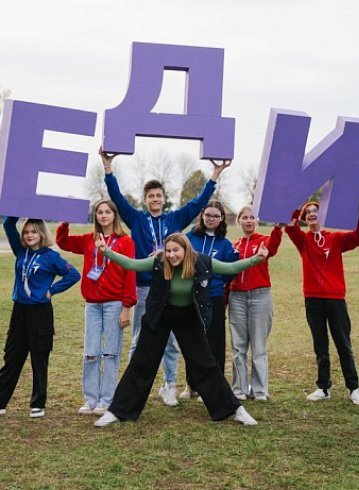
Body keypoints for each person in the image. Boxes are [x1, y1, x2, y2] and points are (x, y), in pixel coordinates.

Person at [100, 146, 230, 407]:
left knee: (170, 342)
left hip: (170, 288)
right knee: (139, 340)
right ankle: (133, 387)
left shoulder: (175, 219)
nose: (155, 199)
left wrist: (214, 176)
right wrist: (107, 169)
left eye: (159, 195)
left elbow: (197, 204)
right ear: (146, 199)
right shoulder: (136, 219)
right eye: (151, 196)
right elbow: (117, 198)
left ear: (163, 198)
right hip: (145, 289)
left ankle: (169, 384)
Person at [93, 233, 266, 427]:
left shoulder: (201, 262)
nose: (172, 255)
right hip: (160, 316)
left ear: (186, 249)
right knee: (142, 362)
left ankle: (234, 410)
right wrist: (106, 251)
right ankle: (117, 411)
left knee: (206, 364)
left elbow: (231, 267)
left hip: (188, 317)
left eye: (176, 250)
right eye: (168, 251)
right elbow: (132, 264)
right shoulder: (159, 262)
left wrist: (255, 259)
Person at [0, 217, 80, 419]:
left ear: (41, 234)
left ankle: (38, 403)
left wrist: (52, 290)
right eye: (26, 232)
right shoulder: (21, 251)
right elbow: (8, 225)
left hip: (40, 312)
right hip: (20, 310)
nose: (29, 235)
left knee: (39, 358)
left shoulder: (51, 256)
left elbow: (73, 274)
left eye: (33, 231)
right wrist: (19, 210)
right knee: (12, 356)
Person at [56, 200, 136, 416]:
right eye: (99, 212)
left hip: (114, 303)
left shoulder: (125, 242)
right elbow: (62, 242)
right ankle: (90, 399)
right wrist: (65, 222)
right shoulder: (88, 240)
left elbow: (130, 274)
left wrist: (126, 307)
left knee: (110, 353)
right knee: (91, 352)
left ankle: (106, 399)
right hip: (92, 304)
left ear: (114, 215)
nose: (103, 216)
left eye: (107, 212)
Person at [286, 200, 359, 405]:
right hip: (312, 298)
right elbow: (290, 223)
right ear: (305, 218)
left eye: (316, 211)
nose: (312, 214)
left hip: (335, 298)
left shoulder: (336, 238)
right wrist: (299, 199)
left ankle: (353, 388)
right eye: (309, 212)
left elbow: (357, 238)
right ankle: (323, 387)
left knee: (343, 344)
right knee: (320, 345)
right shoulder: (303, 240)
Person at [181, 200, 238, 401]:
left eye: (215, 216)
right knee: (192, 340)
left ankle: (215, 385)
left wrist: (216, 282)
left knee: (215, 342)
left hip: (213, 297)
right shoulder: (189, 238)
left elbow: (231, 271)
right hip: (191, 296)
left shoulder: (225, 244)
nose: (211, 219)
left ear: (221, 218)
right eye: (208, 215)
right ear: (202, 216)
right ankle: (192, 385)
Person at [228, 205, 283, 401]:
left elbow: (274, 247)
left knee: (259, 346)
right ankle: (239, 389)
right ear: (239, 221)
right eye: (245, 217)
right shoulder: (234, 245)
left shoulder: (263, 241)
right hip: (237, 298)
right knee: (238, 346)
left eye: (252, 217)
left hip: (260, 296)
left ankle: (259, 390)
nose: (249, 220)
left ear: (257, 221)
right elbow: (228, 271)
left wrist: (278, 228)